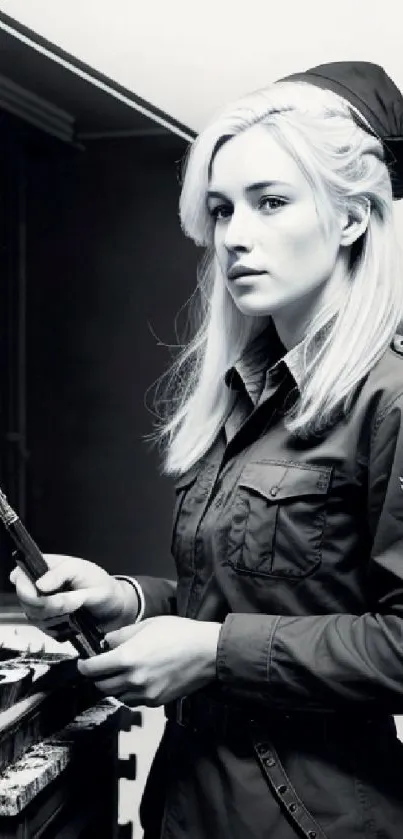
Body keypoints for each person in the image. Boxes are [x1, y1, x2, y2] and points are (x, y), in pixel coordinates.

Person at [9, 60, 403, 838]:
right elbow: (259, 596)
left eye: (270, 202)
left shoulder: (389, 395)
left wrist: (213, 653)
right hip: (188, 805)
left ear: (352, 217)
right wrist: (123, 598)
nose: (235, 237)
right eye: (221, 210)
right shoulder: (244, 393)